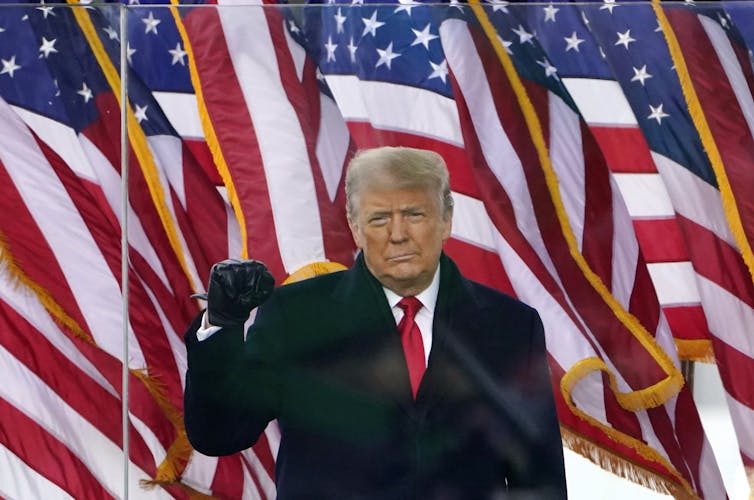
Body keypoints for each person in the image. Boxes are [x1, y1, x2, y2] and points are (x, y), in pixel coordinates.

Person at [183, 146, 567, 499]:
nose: (398, 235)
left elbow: (536, 478)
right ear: (354, 227)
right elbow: (219, 433)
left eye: (415, 214)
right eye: (380, 218)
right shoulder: (297, 314)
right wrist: (222, 323)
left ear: (446, 220)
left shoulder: (510, 325)